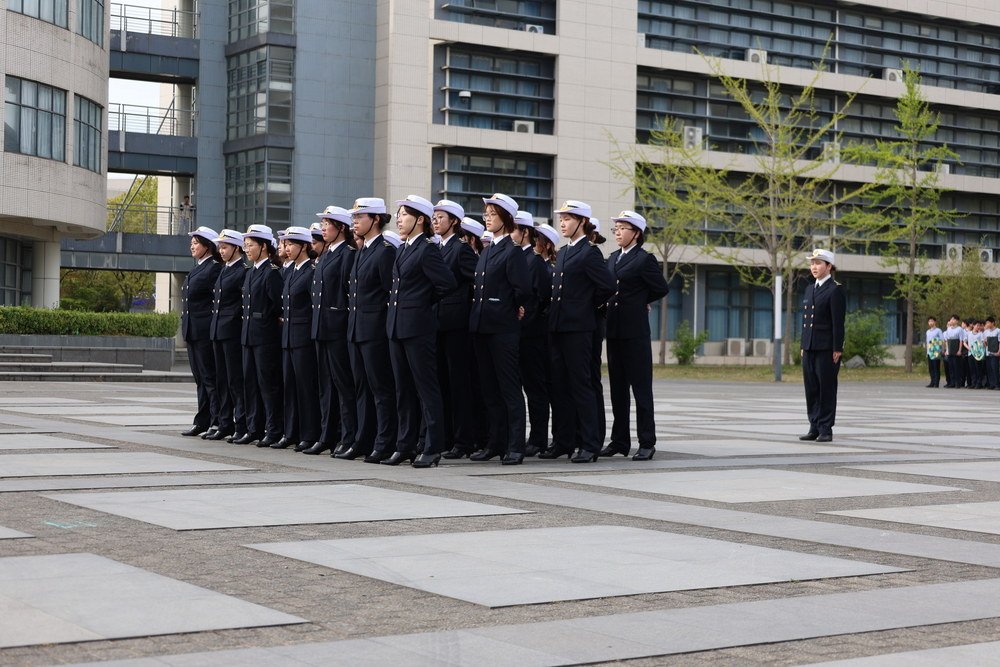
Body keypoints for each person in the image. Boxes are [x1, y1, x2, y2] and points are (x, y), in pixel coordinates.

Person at [384, 195, 457, 467]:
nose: (400, 219)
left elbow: (447, 284)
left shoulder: (427, 249)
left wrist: (422, 303)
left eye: (404, 214)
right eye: (399, 214)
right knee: (402, 390)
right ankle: (404, 445)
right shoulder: (403, 248)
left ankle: (432, 447)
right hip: (396, 327)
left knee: (426, 389)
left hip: (418, 328)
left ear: (420, 219)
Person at [542, 201, 616, 463]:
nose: (562, 223)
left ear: (582, 222)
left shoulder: (590, 252)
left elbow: (606, 286)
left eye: (567, 219)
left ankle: (589, 443)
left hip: (579, 328)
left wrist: (587, 305)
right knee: (560, 387)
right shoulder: (562, 252)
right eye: (561, 219)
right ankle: (564, 441)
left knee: (581, 385)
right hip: (558, 327)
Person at [469, 193, 531, 465]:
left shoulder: (512, 251)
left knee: (509, 389)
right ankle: (495, 443)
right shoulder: (488, 250)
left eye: (492, 214)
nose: (487, 218)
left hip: (503, 328)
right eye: (486, 213)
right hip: (482, 326)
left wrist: (510, 306)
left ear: (506, 218)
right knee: (489, 389)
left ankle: (516, 446)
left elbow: (523, 290)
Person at [602, 211, 669, 461]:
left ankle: (647, 442)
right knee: (618, 390)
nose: (618, 232)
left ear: (636, 233)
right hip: (615, 331)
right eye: (616, 228)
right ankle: (619, 441)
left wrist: (642, 301)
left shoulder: (644, 259)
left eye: (622, 228)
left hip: (635, 332)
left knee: (641, 390)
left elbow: (661, 287)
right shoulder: (612, 259)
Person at [344, 198, 398, 463]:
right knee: (362, 389)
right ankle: (363, 440)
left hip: (375, 331)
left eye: (359, 217)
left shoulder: (385, 251)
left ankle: (385, 442)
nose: (354, 222)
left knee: (381, 389)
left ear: (375, 219)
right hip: (356, 330)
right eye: (353, 218)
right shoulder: (362, 250)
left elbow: (391, 294)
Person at [433, 201, 479, 460]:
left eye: (441, 217)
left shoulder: (461, 249)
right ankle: (446, 438)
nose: (435, 221)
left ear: (455, 222)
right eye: (434, 217)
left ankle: (463, 442)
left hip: (457, 325)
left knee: (459, 385)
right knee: (441, 384)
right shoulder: (436, 247)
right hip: (437, 324)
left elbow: (477, 282)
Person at [233, 225, 285, 447]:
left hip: (265, 337)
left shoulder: (271, 272)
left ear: (264, 246)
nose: (246, 249)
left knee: (267, 385)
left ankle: (273, 429)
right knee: (250, 384)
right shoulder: (251, 272)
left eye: (250, 245)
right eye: (245, 245)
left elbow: (278, 305)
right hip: (248, 337)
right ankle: (254, 428)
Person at [312, 207, 358, 457]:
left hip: (338, 328)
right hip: (322, 328)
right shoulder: (327, 254)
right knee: (325, 386)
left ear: (341, 228)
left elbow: (347, 295)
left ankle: (347, 436)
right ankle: (327, 435)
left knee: (343, 385)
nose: (323, 228)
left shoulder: (348, 255)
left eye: (328, 223)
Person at [275, 226, 322, 451]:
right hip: (288, 337)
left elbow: (314, 307)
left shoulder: (311, 270)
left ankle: (309, 433)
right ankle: (290, 432)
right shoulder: (290, 271)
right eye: (286, 244)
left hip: (304, 338)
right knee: (289, 387)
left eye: (292, 244)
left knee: (305, 388)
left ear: (304, 246)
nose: (287, 248)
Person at [513, 211, 551, 458]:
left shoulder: (534, 261)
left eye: (513, 230)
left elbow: (542, 298)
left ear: (525, 232)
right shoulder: (515, 257)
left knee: (535, 388)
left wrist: (527, 320)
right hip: (513, 334)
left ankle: (538, 438)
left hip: (531, 334)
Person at [799, 248, 846, 443]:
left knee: (826, 388)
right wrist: (804, 344)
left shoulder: (835, 289)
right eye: (812, 263)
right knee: (811, 388)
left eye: (818, 263)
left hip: (827, 348)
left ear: (829, 266)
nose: (814, 267)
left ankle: (826, 428)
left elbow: (838, 322)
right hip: (809, 347)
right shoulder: (810, 289)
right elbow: (806, 320)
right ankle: (814, 426)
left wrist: (837, 348)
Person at [180, 226, 222, 438]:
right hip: (193, 330)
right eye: (192, 242)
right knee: (200, 378)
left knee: (209, 378)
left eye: (196, 242)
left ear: (208, 246)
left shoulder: (214, 268)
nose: (192, 246)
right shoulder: (198, 267)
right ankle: (202, 421)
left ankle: (216, 421)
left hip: (205, 331)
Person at [209, 229, 249, 443]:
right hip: (218, 331)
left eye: (225, 247)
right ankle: (225, 423)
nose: (220, 251)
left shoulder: (242, 270)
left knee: (235, 380)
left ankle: (240, 425)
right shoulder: (224, 270)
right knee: (221, 380)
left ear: (237, 248)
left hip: (233, 332)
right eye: (220, 247)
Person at [943, 315, 964, 389]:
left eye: (954, 319)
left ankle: (957, 382)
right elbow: (947, 341)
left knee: (956, 367)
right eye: (951, 319)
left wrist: (959, 350)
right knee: (950, 367)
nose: (952, 321)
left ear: (957, 321)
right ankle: (952, 382)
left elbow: (961, 340)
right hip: (950, 350)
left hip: (956, 349)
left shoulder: (959, 329)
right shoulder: (949, 329)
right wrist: (947, 351)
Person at [924, 316, 943, 389]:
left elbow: (942, 340)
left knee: (936, 367)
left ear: (935, 322)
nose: (931, 323)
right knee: (931, 367)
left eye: (932, 321)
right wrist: (927, 352)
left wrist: (941, 350)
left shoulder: (938, 330)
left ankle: (936, 382)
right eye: (929, 321)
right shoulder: (927, 332)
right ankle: (932, 381)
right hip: (930, 352)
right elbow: (927, 342)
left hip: (936, 351)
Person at [985, 317, 1000, 390]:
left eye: (988, 323)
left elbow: (999, 342)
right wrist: (984, 341)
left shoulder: (998, 331)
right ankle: (991, 384)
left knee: (995, 368)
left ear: (992, 323)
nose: (987, 324)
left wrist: (999, 351)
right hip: (988, 353)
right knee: (989, 369)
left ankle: (997, 384)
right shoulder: (986, 332)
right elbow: (985, 344)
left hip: (995, 353)